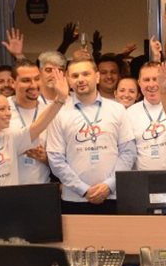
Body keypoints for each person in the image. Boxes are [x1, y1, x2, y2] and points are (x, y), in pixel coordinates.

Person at [46, 58, 137, 214]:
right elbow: (55, 159)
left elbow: (128, 152)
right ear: (68, 80)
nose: (80, 79)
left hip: (113, 196)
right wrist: (83, 189)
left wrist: (109, 185)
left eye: (85, 74)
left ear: (96, 77)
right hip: (75, 199)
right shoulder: (59, 112)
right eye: (75, 76)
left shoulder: (117, 109)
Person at [0, 80, 66, 188]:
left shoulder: (11, 136)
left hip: (10, 200)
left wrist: (59, 100)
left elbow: (38, 126)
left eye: (9, 108)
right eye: (2, 109)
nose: (8, 113)